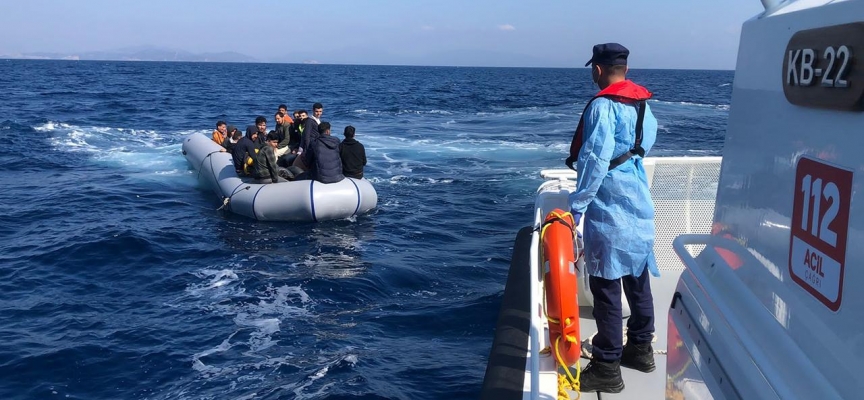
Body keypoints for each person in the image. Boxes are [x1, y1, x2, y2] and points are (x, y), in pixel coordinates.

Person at [566, 43, 659, 394]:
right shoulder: (643, 105)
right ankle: (641, 350)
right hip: (638, 199)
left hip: (610, 207)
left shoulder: (603, 106)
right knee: (638, 277)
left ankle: (606, 365)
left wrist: (576, 208)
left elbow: (593, 160)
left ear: (599, 70)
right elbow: (643, 146)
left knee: (605, 286)